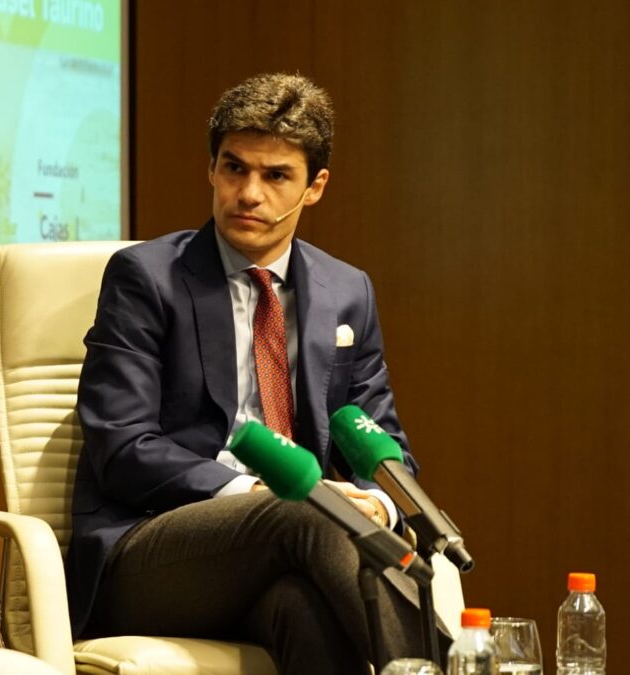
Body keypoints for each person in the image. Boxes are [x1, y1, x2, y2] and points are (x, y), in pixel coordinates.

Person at [65, 73, 444, 674]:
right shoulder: (145, 278)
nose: (248, 193)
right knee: (304, 506)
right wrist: (254, 492)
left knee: (304, 611)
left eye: (275, 176)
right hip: (151, 549)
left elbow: (384, 446)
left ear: (315, 187)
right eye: (234, 168)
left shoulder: (347, 292)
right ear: (211, 170)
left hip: (290, 549)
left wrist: (379, 505)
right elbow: (122, 447)